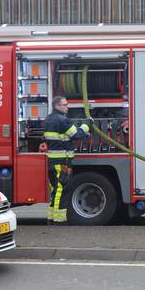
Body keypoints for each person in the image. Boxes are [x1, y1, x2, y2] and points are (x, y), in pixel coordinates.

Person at [43, 95, 91, 225]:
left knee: (55, 190)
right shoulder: (62, 120)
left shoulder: (48, 119)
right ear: (57, 106)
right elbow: (77, 135)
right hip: (62, 161)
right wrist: (87, 125)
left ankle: (51, 218)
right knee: (61, 190)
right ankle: (59, 221)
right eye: (64, 105)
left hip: (52, 161)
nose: (67, 107)